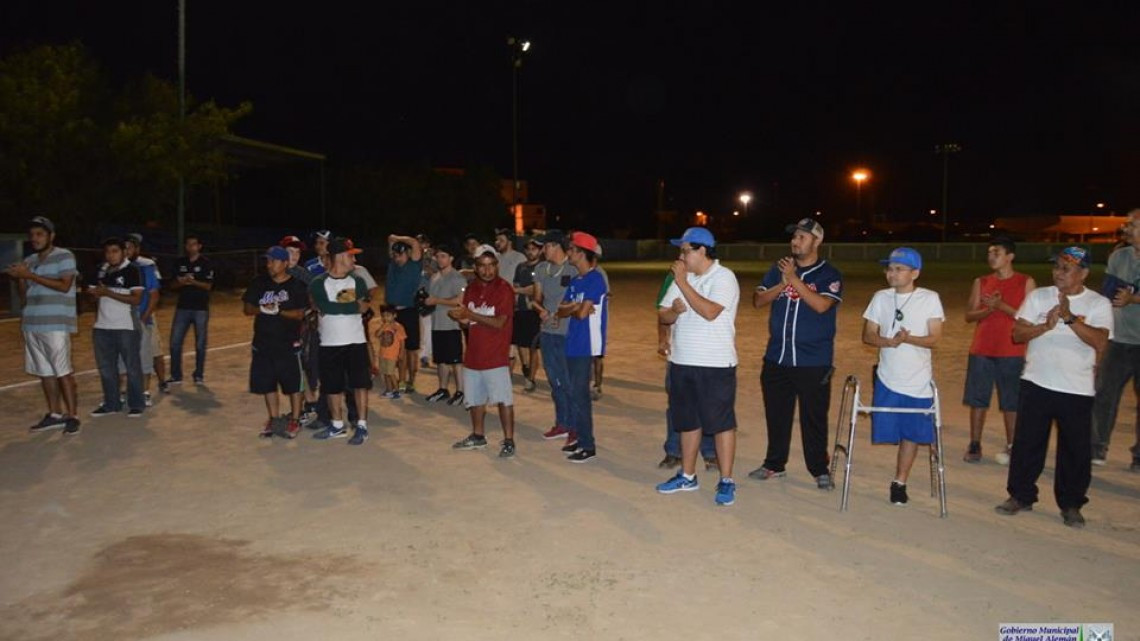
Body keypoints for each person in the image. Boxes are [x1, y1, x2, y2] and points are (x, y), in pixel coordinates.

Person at [996, 247, 1112, 528]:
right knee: (1027, 444)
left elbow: (1100, 342)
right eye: (1056, 267)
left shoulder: (1098, 304)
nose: (1058, 273)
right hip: (1036, 382)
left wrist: (1069, 318)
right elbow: (1017, 334)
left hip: (1076, 388)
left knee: (1075, 450)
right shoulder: (1038, 296)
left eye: (1066, 268)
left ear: (1083, 273)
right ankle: (1021, 495)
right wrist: (1044, 327)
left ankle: (1071, 504)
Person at [749, 218, 843, 488]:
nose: (795, 241)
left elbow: (822, 305)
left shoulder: (829, 274)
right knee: (776, 414)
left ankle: (819, 469)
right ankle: (774, 464)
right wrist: (782, 282)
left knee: (814, 418)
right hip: (777, 357)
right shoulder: (779, 268)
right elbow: (758, 300)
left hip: (813, 360)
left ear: (817, 241)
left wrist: (793, 279)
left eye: (802, 237)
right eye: (794, 237)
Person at [654, 228, 742, 506]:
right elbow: (663, 315)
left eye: (685, 251)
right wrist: (674, 311)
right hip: (681, 361)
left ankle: (726, 480)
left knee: (721, 424)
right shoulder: (682, 279)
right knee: (687, 422)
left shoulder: (724, 277)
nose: (681, 256)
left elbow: (709, 312)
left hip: (715, 363)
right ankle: (687, 475)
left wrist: (682, 282)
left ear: (702, 250)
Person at [861, 247, 944, 506]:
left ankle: (900, 482)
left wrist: (908, 339)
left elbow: (934, 338)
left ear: (915, 273)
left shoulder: (929, 298)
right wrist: (889, 342)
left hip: (918, 381)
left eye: (899, 269)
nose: (892, 274)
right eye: (889, 269)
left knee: (912, 434)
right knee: (887, 431)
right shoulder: (880, 297)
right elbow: (868, 335)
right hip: (887, 377)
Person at [962, 236, 1035, 464]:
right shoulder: (982, 281)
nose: (991, 257)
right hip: (982, 348)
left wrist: (1001, 306)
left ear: (1010, 256)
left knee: (1011, 402)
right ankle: (975, 443)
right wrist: (987, 310)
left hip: (1012, 350)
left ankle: (1013, 445)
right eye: (989, 253)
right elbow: (969, 315)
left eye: (997, 253)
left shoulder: (1025, 282)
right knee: (978, 400)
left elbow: (1030, 318)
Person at [6, 216, 80, 434]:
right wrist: (20, 278)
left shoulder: (64, 256)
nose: (35, 238)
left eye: (40, 234)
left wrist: (29, 275)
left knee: (62, 370)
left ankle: (72, 416)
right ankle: (55, 413)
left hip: (55, 323)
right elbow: (24, 298)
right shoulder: (30, 260)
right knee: (44, 372)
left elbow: (65, 286)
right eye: (32, 235)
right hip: (32, 323)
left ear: (51, 236)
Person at [449, 246, 518, 458]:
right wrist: (461, 318)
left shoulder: (504, 289)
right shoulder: (471, 289)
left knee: (503, 400)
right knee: (475, 399)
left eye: (491, 265)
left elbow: (499, 323)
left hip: (496, 356)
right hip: (474, 354)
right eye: (482, 266)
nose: (487, 270)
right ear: (476, 268)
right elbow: (468, 322)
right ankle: (478, 435)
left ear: (497, 265)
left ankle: (509, 440)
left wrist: (470, 314)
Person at [309, 237, 373, 445]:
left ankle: (361, 425)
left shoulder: (358, 280)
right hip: (330, 343)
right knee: (332, 386)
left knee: (360, 384)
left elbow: (364, 307)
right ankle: (337, 425)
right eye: (350, 255)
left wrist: (338, 305)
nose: (354, 259)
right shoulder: (319, 283)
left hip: (355, 341)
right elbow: (325, 307)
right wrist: (350, 304)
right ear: (339, 256)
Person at [242, 246, 310, 438]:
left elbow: (300, 314)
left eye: (274, 261)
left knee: (293, 384)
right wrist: (263, 309)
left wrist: (279, 311)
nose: (269, 264)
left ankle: (295, 419)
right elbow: (247, 308)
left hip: (288, 343)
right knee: (267, 383)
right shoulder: (259, 282)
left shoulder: (296, 285)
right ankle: (273, 418)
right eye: (268, 260)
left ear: (285, 263)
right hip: (263, 342)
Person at [1091, 208, 1140, 467]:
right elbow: (1106, 294)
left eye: (1132, 225)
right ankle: (1096, 447)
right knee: (1104, 395)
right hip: (1118, 340)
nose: (1126, 229)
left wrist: (1134, 299)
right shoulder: (1119, 256)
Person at [656, 268, 718, 469]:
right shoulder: (673, 278)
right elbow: (662, 311)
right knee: (677, 404)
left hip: (707, 354)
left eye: (686, 253)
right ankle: (674, 450)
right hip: (680, 353)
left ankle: (710, 451)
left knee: (706, 404)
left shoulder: (717, 277)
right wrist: (662, 338)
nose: (682, 257)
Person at [557, 231, 608, 463]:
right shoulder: (576, 280)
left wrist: (574, 307)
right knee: (574, 393)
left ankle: (588, 445)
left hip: (586, 344)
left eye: (571, 249)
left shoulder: (595, 279)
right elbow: (561, 310)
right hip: (573, 342)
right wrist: (575, 307)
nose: (568, 253)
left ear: (580, 253)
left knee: (580, 395)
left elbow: (580, 314)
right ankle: (580, 437)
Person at [89, 237, 145, 418]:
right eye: (107, 252)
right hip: (102, 326)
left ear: (124, 252)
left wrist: (108, 292)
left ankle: (136, 404)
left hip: (126, 326)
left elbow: (136, 299)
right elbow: (94, 295)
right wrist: (94, 294)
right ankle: (111, 403)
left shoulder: (132, 270)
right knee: (106, 368)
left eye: (115, 251)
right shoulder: (101, 270)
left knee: (132, 367)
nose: (110, 255)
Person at [533, 230, 574, 443]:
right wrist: (541, 311)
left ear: (557, 246)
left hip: (568, 333)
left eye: (547, 246)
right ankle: (562, 423)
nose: (543, 250)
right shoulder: (542, 269)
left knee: (568, 381)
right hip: (547, 332)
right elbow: (535, 299)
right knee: (554, 381)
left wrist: (561, 313)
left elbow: (578, 300)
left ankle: (575, 425)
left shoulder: (573, 268)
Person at [167, 234, 214, 386]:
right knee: (175, 342)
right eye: (188, 244)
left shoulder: (206, 263)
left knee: (200, 344)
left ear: (199, 246)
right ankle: (176, 375)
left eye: (193, 244)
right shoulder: (180, 262)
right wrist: (181, 283)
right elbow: (171, 285)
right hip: (183, 307)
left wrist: (192, 281)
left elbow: (208, 286)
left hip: (200, 308)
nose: (190, 247)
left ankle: (198, 374)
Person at [120, 234, 161, 406]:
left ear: (137, 249)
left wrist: (144, 317)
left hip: (140, 316)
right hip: (121, 319)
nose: (126, 251)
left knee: (144, 356)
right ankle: (123, 391)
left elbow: (154, 295)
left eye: (130, 248)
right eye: (124, 248)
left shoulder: (146, 267)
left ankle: (144, 392)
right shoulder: (117, 267)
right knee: (122, 358)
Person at [424, 244, 466, 404]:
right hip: (437, 323)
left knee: (455, 360)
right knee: (440, 359)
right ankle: (443, 389)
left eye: (443, 256)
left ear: (451, 258)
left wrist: (437, 300)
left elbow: (460, 300)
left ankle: (460, 391)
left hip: (451, 324)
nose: (440, 259)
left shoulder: (457, 277)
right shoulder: (434, 277)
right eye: (438, 256)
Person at [385, 234, 424, 393]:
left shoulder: (414, 265)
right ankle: (401, 380)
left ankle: (411, 381)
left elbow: (414, 242)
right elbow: (390, 240)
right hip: (393, 312)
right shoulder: (393, 265)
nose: (397, 258)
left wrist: (397, 238)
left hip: (409, 311)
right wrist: (393, 241)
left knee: (411, 349)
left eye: (400, 255)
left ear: (408, 254)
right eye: (395, 255)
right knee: (396, 349)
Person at [511, 236, 543, 392]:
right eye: (528, 249)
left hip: (535, 311)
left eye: (534, 249)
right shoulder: (521, 267)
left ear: (540, 251)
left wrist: (519, 290)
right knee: (521, 343)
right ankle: (526, 368)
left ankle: (531, 378)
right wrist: (520, 291)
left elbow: (534, 290)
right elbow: (516, 285)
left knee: (533, 346)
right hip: (520, 310)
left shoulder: (542, 267)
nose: (531, 252)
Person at [368, 305, 407, 399]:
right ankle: (389, 390)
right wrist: (383, 327)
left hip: (392, 354)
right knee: (385, 372)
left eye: (388, 315)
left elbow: (402, 341)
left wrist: (401, 352)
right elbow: (377, 335)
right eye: (383, 316)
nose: (385, 318)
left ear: (394, 315)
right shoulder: (384, 326)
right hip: (383, 354)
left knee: (390, 373)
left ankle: (397, 391)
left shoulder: (398, 327)